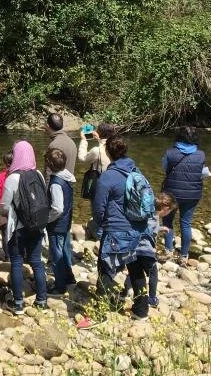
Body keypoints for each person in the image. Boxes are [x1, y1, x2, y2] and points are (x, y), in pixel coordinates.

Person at [92, 136, 155, 319]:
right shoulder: (136, 171)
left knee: (106, 269)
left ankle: (100, 312)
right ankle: (141, 310)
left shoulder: (107, 177)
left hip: (116, 231)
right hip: (140, 229)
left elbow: (98, 209)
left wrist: (102, 224)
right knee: (136, 269)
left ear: (108, 153)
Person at [0, 140, 49, 315]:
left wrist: (8, 212)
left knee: (17, 262)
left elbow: (4, 206)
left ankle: (18, 303)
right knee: (36, 261)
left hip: (18, 227)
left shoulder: (12, 178)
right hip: (37, 225)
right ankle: (42, 300)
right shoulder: (39, 175)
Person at [161, 126, 211, 261]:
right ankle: (183, 255)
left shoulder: (170, 152)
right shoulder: (201, 154)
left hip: (171, 193)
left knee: (167, 221)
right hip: (192, 195)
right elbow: (203, 173)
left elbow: (165, 168)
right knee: (186, 223)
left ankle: (168, 250)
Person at [123, 192, 176, 309]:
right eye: (169, 212)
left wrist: (160, 228)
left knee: (134, 272)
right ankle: (151, 298)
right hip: (146, 250)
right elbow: (150, 229)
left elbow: (145, 226)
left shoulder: (145, 211)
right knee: (153, 273)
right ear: (166, 208)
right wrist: (159, 229)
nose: (167, 214)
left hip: (133, 248)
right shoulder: (155, 215)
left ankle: (124, 292)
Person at [44, 148, 77, 295]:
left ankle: (60, 286)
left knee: (56, 254)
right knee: (64, 250)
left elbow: (57, 208)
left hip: (57, 224)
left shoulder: (56, 183)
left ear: (50, 165)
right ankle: (69, 277)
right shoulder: (67, 177)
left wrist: (47, 219)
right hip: (66, 221)